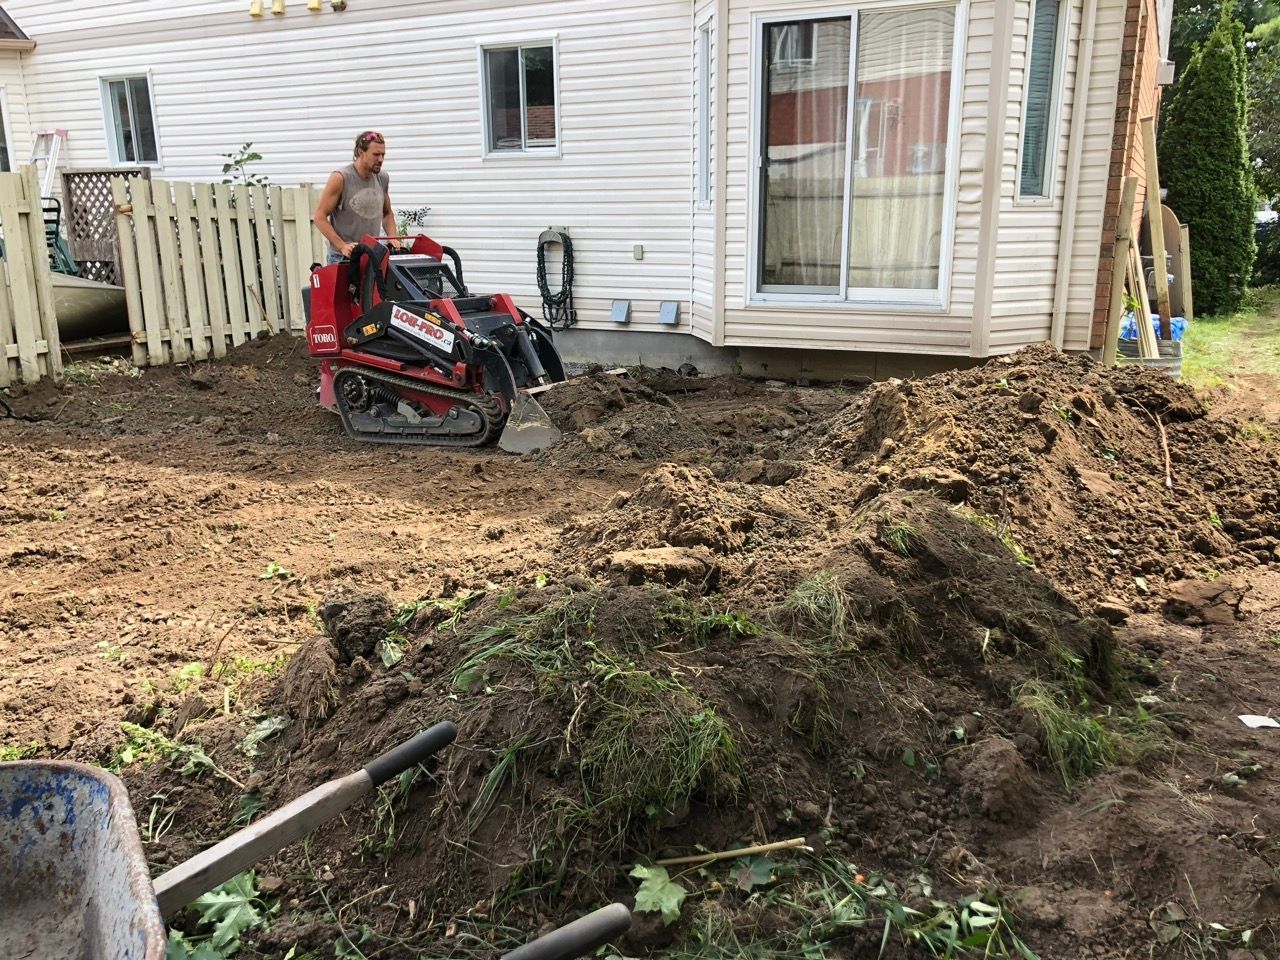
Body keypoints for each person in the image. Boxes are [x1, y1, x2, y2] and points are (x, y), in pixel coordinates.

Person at [314, 130, 400, 263]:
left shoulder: (382, 178)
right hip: (343, 258)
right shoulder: (341, 178)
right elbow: (319, 217)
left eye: (383, 154)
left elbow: (387, 213)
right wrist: (342, 246)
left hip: (371, 256)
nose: (381, 159)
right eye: (376, 154)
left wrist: (393, 237)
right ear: (361, 152)